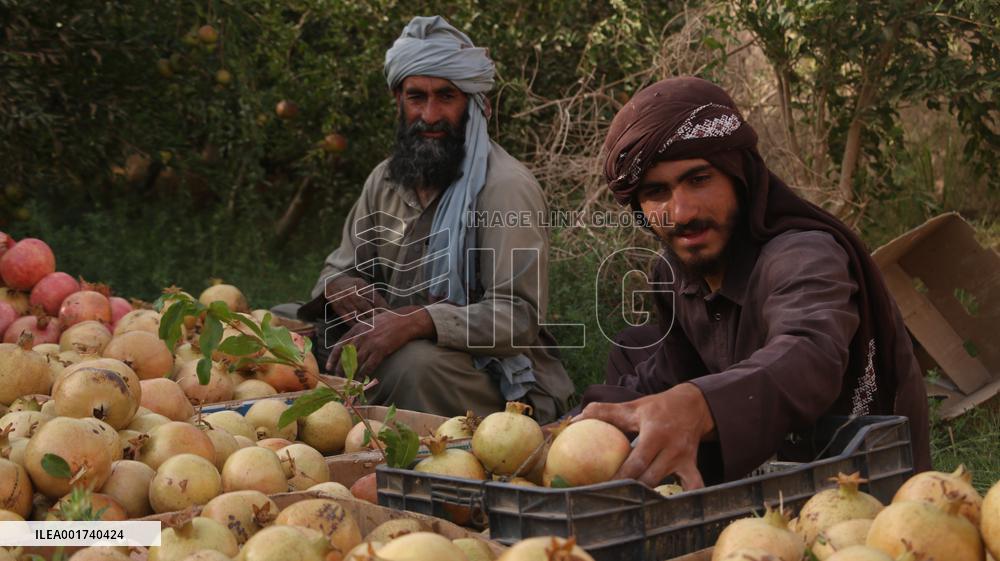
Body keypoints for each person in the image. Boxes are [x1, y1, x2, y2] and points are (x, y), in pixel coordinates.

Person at [575, 76, 931, 489]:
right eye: (656, 191)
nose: (682, 212)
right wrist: (579, 423)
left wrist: (699, 404)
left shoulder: (804, 255)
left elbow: (808, 352)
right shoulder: (671, 272)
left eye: (698, 179)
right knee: (630, 348)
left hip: (849, 487)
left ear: (739, 174)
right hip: (754, 486)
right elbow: (672, 372)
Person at [290, 16, 574, 424]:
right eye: (416, 97)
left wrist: (420, 321)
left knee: (411, 366)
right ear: (398, 101)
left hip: (494, 375)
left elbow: (518, 317)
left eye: (446, 97)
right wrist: (340, 287)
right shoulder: (384, 179)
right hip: (399, 344)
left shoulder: (505, 187)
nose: (430, 114)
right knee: (283, 337)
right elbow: (339, 266)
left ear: (474, 103)